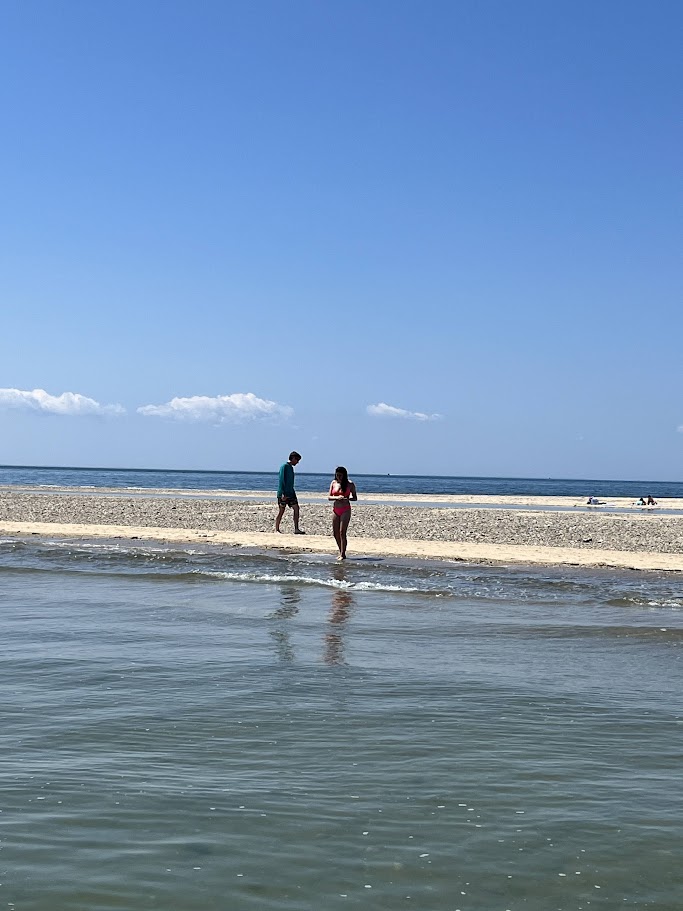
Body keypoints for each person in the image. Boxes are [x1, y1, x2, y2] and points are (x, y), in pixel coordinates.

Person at [328, 466, 357, 560]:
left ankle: (342, 554)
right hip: (336, 509)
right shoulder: (334, 483)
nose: (339, 477)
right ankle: (340, 550)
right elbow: (329, 497)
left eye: (341, 475)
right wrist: (337, 497)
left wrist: (347, 498)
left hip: (345, 509)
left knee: (342, 532)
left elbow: (355, 497)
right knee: (335, 532)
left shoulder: (350, 484)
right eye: (337, 475)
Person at [275, 451, 305, 534]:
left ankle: (296, 529)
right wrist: (282, 493)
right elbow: (282, 479)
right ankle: (277, 529)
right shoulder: (284, 466)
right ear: (293, 458)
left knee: (296, 508)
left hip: (291, 492)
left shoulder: (291, 468)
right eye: (297, 460)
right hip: (283, 493)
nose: (297, 462)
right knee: (281, 510)